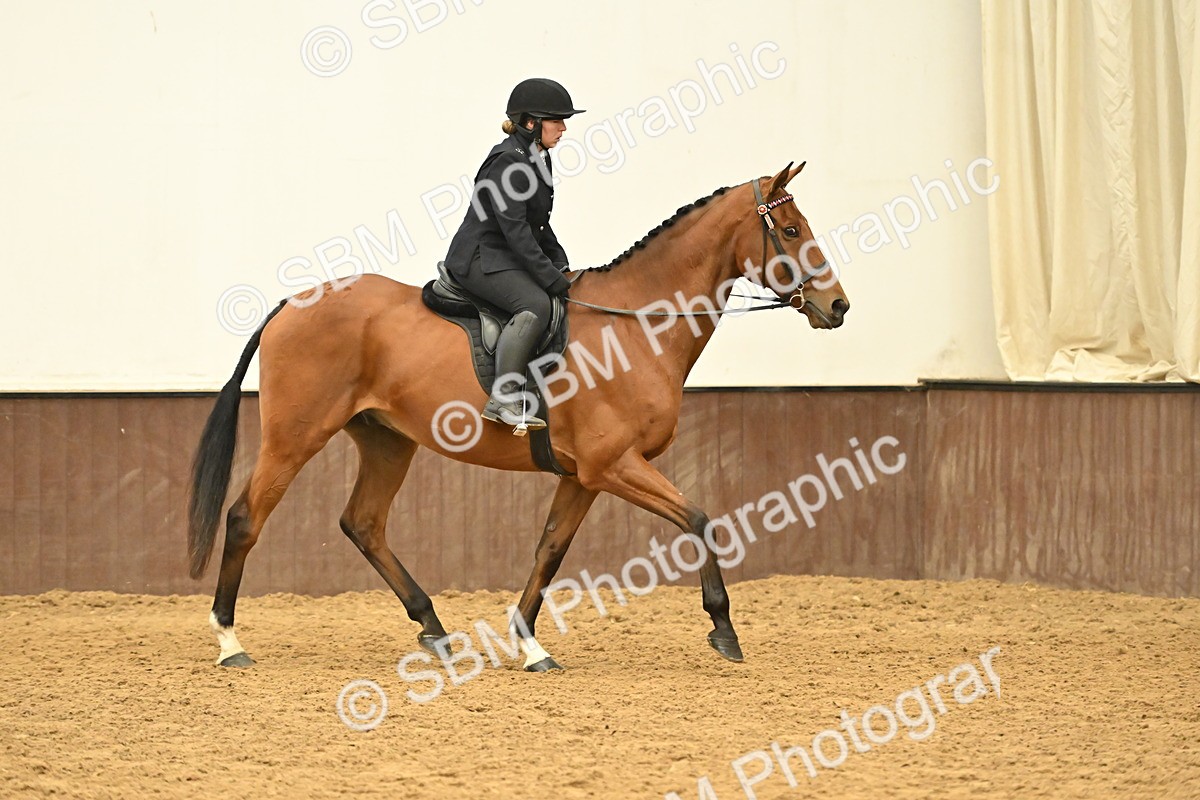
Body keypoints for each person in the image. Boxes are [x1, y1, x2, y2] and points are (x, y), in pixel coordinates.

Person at [442, 78, 585, 431]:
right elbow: (517, 233)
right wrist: (550, 279)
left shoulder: (539, 158)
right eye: (557, 120)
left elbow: (538, 224)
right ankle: (504, 398)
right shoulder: (507, 161)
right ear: (531, 122)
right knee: (535, 304)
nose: (564, 128)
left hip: (503, 254)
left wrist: (562, 265)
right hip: (479, 258)